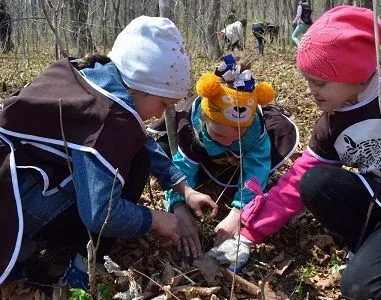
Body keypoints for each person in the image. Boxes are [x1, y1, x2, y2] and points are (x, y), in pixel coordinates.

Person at [210, 5, 381, 298]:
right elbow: (298, 180)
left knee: (367, 291)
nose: (311, 90)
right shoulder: (334, 120)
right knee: (315, 181)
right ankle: (370, 245)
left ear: (355, 72)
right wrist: (248, 233)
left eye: (319, 82)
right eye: (308, 80)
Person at [0, 16, 218, 288]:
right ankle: (80, 267)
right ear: (143, 86)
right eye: (163, 103)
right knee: (133, 166)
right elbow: (101, 214)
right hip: (20, 204)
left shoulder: (93, 75)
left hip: (14, 188)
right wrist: (154, 219)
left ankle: (32, 243)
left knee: (134, 152)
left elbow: (140, 139)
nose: (162, 114)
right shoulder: (111, 119)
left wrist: (183, 187)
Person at [149, 55, 299, 269]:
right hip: (206, 159)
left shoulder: (255, 130)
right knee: (163, 152)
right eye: (220, 136)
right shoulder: (193, 125)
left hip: (237, 163)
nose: (229, 141)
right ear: (204, 120)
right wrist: (179, 206)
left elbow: (256, 168)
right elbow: (181, 167)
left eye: (238, 136)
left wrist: (238, 212)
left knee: (256, 169)